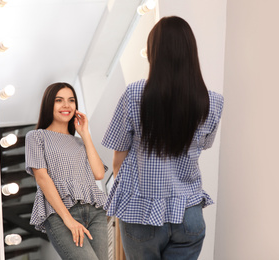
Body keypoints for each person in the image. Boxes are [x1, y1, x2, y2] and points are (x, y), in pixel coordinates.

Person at [101, 16, 224, 260]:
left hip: (142, 214)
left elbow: (118, 160)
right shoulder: (212, 101)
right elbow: (204, 145)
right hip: (189, 214)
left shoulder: (135, 93)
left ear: (154, 52)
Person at [25, 82, 108, 260]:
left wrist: (85, 134)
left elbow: (99, 173)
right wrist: (69, 220)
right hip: (60, 214)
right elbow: (42, 179)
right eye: (59, 100)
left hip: (95, 212)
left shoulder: (80, 142)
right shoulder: (36, 137)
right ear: (49, 104)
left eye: (71, 100)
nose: (66, 105)